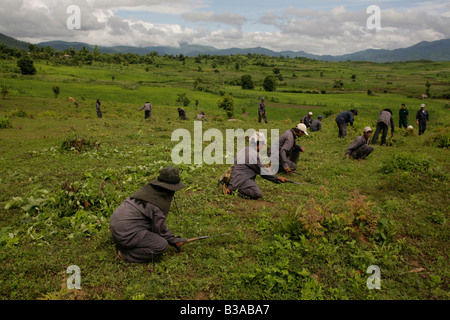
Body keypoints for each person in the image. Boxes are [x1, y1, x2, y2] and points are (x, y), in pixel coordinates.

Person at [109, 167, 186, 263]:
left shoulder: (147, 190)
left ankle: (124, 241)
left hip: (116, 225)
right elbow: (160, 230)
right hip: (126, 232)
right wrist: (174, 240)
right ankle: (125, 254)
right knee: (161, 245)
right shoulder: (158, 204)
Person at [223, 132, 286, 199]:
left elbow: (255, 165)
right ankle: (232, 191)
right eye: (263, 145)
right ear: (260, 143)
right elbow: (262, 172)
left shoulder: (245, 149)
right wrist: (276, 178)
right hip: (241, 180)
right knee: (257, 193)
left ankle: (230, 187)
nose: (262, 147)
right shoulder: (254, 154)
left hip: (233, 177)